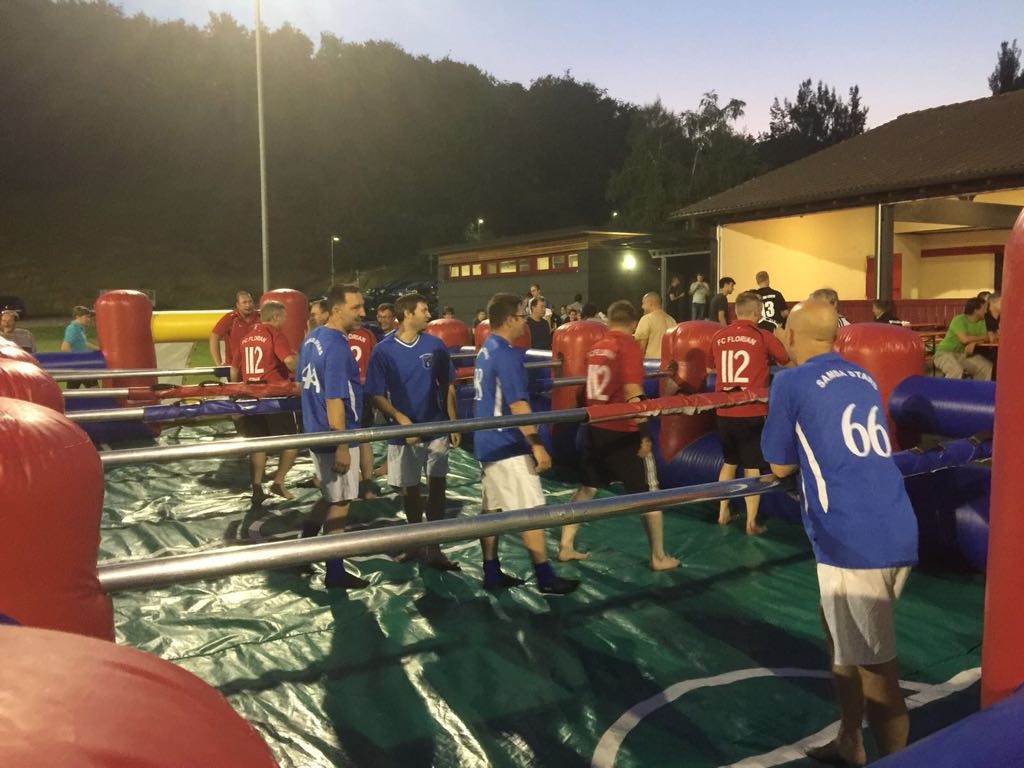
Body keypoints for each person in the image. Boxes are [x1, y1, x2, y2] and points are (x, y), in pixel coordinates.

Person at [761, 299, 918, 765]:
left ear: (792, 335)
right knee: (837, 633)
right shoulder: (862, 376)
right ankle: (850, 738)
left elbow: (779, 464)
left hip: (852, 537)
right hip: (893, 521)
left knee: (877, 675)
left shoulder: (790, 380)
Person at [557, 300, 680, 571]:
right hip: (623, 431)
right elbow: (633, 391)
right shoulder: (628, 346)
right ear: (633, 323)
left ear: (609, 321)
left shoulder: (595, 347)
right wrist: (645, 433)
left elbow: (583, 391)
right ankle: (658, 556)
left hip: (594, 427)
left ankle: (565, 545)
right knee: (649, 495)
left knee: (586, 487)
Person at [473, 292, 580, 594]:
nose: (525, 322)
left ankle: (491, 570)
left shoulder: (486, 349)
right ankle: (545, 576)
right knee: (532, 510)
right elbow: (518, 404)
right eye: (522, 316)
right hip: (507, 443)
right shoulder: (505, 354)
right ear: (509, 319)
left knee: (492, 511)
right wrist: (536, 444)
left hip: (488, 441)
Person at [366, 292, 460, 570]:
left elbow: (448, 383)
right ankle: (415, 542)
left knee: (438, 485)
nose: (429, 315)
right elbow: (375, 393)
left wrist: (453, 421)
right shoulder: (383, 350)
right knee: (409, 490)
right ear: (407, 314)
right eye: (423, 310)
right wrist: (399, 418)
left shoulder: (435, 344)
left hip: (436, 427)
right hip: (403, 433)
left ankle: (434, 547)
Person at [296, 284, 370, 590]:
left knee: (329, 496)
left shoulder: (312, 338)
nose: (363, 312)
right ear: (337, 310)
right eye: (356, 307)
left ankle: (303, 550)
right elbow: (334, 398)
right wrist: (342, 443)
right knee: (341, 501)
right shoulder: (338, 347)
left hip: (315, 430)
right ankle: (335, 571)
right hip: (336, 434)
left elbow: (303, 384)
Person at [709, 291, 790, 534]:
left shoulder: (718, 335)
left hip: (724, 411)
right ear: (757, 313)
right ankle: (751, 522)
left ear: (736, 312)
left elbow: (711, 366)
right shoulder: (762, 335)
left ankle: (722, 512)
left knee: (729, 462)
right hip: (751, 410)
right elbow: (785, 359)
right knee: (752, 466)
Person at [238, 301, 299, 504]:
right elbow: (289, 361)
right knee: (292, 442)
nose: (286, 320)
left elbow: (235, 369)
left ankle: (256, 487)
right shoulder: (274, 334)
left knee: (258, 443)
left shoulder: (246, 337)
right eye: (284, 317)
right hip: (274, 397)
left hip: (251, 397)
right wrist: (304, 368)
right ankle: (278, 482)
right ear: (275, 317)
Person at [347, 319, 381, 500]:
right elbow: (375, 360)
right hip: (361, 390)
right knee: (363, 438)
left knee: (347, 437)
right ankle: (365, 484)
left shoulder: (336, 334)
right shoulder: (367, 335)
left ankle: (355, 484)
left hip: (344, 391)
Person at [933, 297, 994, 380]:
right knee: (956, 371)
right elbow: (964, 339)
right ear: (976, 310)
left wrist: (975, 342)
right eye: (984, 308)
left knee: (986, 367)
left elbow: (989, 337)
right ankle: (948, 389)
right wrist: (981, 338)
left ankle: (978, 388)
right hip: (944, 353)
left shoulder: (982, 322)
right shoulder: (959, 320)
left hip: (964, 354)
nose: (986, 311)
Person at [209, 291, 257, 381]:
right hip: (235, 369)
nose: (248, 305)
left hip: (255, 368)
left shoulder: (259, 317)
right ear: (237, 305)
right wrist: (218, 363)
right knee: (237, 390)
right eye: (244, 302)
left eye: (250, 302)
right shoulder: (230, 318)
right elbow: (214, 336)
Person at [61, 305, 98, 389]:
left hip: (79, 365)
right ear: (77, 317)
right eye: (86, 317)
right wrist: (76, 362)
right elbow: (64, 348)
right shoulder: (73, 329)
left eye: (89, 317)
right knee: (95, 390)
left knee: (71, 392)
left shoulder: (79, 328)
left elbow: (84, 343)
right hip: (81, 365)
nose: (89, 319)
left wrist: (98, 349)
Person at [633, 292, 675, 359]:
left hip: (651, 362)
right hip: (668, 362)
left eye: (643, 303)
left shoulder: (646, 319)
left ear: (650, 303)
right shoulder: (672, 320)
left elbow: (641, 346)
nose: (642, 306)